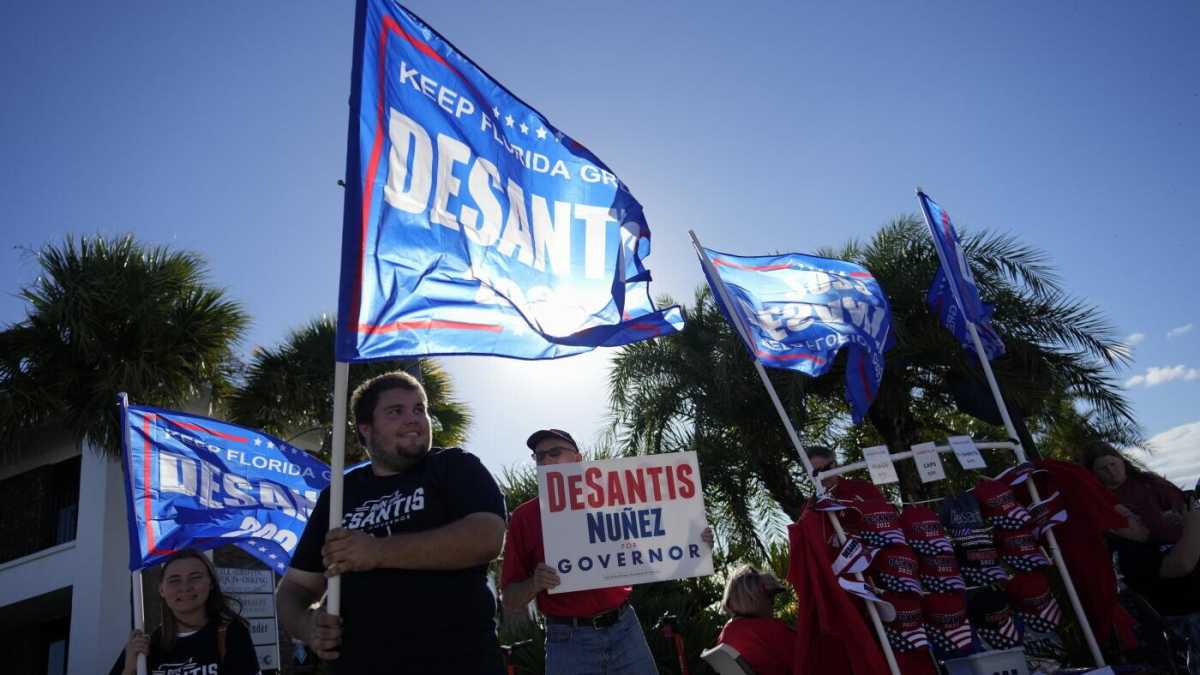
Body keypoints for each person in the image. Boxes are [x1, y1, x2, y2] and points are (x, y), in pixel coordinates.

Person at [276, 371, 508, 674]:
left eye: (419, 409)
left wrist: (376, 552)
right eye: (396, 411)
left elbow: (487, 537)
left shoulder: (454, 466)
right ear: (366, 428)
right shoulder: (338, 496)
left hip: (461, 661)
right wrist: (308, 626)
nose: (413, 419)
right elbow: (294, 588)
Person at [500, 428, 712, 675]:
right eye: (539, 457)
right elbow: (510, 597)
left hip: (625, 628)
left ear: (578, 460)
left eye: (555, 453)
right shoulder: (524, 518)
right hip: (567, 640)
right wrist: (535, 583)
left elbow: (655, 551)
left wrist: (695, 544)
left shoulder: (614, 501)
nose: (546, 460)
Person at [110, 549, 261, 675]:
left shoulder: (231, 634)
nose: (185, 587)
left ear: (211, 583)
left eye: (195, 577)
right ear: (161, 589)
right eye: (174, 580)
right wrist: (130, 669)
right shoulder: (146, 646)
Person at [716, 564, 795, 675]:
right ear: (755, 597)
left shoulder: (726, 633)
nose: (773, 603)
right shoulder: (772, 630)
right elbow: (809, 659)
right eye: (770, 596)